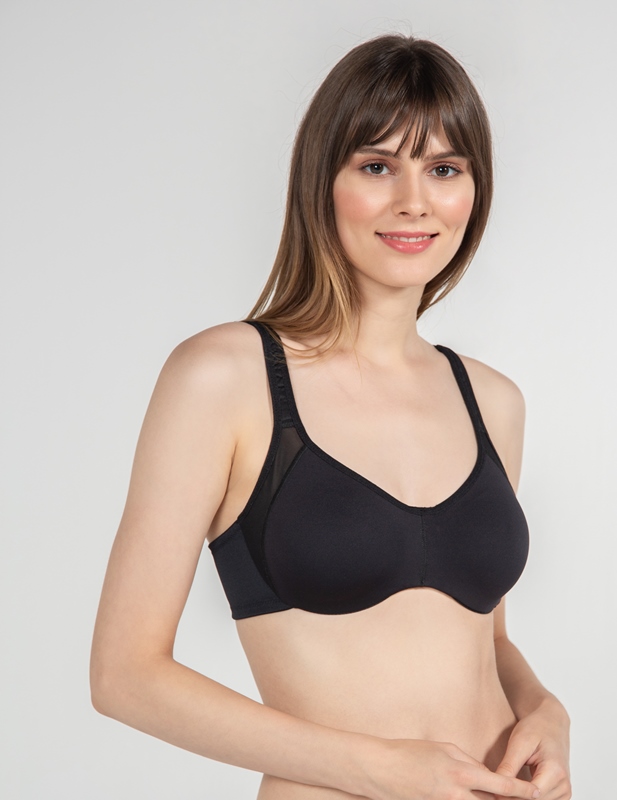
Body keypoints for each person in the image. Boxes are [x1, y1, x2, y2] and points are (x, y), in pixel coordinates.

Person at [90, 34, 572, 800]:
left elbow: (486, 637)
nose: (414, 200)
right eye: (377, 166)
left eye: (444, 169)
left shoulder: (492, 400)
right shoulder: (224, 378)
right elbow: (124, 675)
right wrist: (381, 769)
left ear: (474, 192)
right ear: (323, 181)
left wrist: (544, 707)